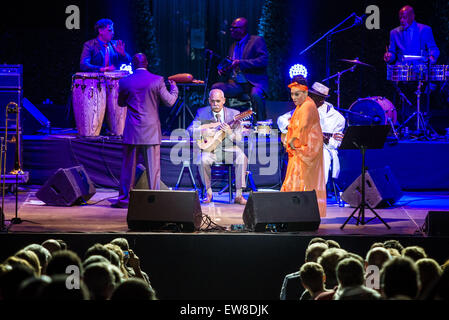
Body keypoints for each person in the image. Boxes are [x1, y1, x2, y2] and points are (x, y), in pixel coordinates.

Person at [112, 53, 178, 208]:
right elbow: (169, 102)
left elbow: (121, 103)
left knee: (128, 168)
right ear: (147, 63)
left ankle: (124, 200)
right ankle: (154, 201)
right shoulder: (157, 80)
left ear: (133, 64)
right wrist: (174, 89)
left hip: (132, 130)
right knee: (154, 169)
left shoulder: (124, 82)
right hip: (151, 130)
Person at [187, 89, 248, 205]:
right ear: (209, 101)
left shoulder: (234, 114)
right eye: (213, 101)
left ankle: (239, 195)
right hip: (210, 150)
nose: (215, 104)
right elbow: (189, 130)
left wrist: (230, 132)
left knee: (242, 157)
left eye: (218, 101)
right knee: (202, 160)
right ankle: (209, 192)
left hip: (229, 149)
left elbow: (239, 139)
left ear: (224, 100)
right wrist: (204, 130)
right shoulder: (202, 113)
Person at [278, 82, 345, 185]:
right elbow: (281, 119)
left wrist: (326, 139)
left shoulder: (337, 118)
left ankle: (316, 192)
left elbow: (337, 143)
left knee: (322, 156)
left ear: (321, 99)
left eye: (312, 97)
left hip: (323, 149)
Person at [280, 76, 326, 217]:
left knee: (299, 180)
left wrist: (290, 143)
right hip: (301, 149)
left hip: (305, 149)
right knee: (296, 179)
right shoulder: (303, 104)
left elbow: (302, 130)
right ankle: (294, 211)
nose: (293, 97)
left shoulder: (307, 106)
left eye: (297, 93)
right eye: (292, 94)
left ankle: (297, 212)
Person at [211, 17, 269, 121]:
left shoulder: (256, 41)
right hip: (237, 84)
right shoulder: (233, 46)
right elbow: (233, 67)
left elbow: (263, 60)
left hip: (253, 83)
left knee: (256, 95)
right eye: (231, 28)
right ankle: (217, 122)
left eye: (234, 28)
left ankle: (261, 125)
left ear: (243, 29)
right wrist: (225, 70)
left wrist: (241, 63)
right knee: (216, 89)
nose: (231, 30)